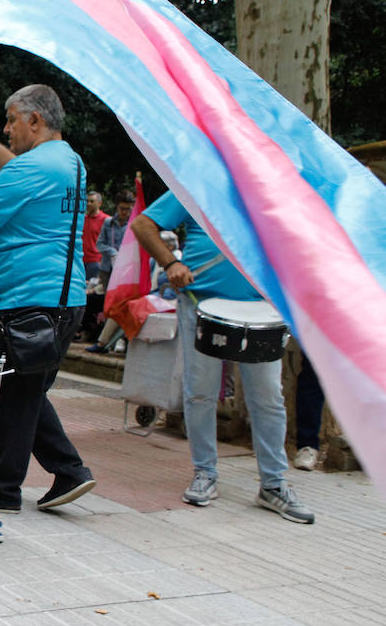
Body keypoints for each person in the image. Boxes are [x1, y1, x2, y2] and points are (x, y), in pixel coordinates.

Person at [0, 84, 96, 514]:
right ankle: (69, 471)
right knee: (27, 392)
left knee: (14, 398)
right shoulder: (68, 162)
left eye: (11, 120)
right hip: (63, 298)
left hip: (26, 301)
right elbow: (14, 167)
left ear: (35, 120)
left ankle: (3, 491)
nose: (7, 129)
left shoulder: (29, 171)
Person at [130, 194, 314, 523]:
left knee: (268, 397)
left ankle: (273, 484)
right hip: (200, 302)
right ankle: (205, 473)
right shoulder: (199, 183)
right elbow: (143, 224)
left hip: (262, 308)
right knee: (199, 392)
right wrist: (171, 263)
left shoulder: (272, 187)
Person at [95, 189, 133, 291]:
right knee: (108, 299)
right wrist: (112, 252)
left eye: (128, 209)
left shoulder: (134, 225)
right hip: (108, 269)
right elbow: (99, 244)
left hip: (127, 269)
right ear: (116, 206)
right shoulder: (108, 222)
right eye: (122, 208)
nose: (124, 212)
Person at [82, 190, 108, 280]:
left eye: (92, 201)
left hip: (96, 262)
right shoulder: (83, 219)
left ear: (99, 203)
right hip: (81, 260)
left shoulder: (106, 220)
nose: (88, 204)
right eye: (87, 201)